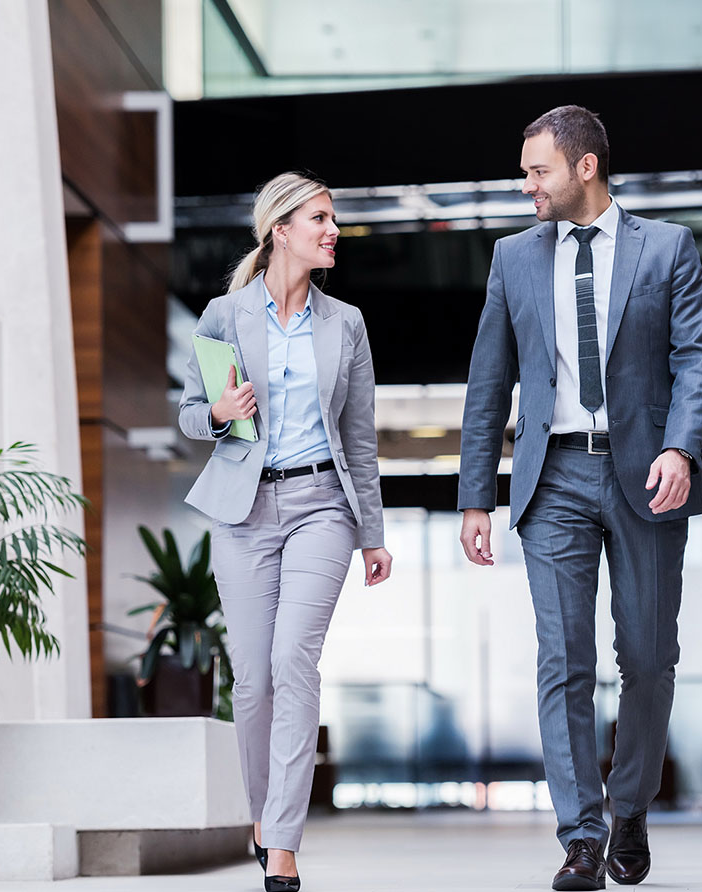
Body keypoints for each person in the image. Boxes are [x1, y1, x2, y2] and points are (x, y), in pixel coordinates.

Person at [458, 106, 702, 891]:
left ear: (586, 168)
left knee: (647, 656)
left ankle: (631, 805)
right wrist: (476, 495)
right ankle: (580, 836)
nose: (526, 184)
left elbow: (697, 356)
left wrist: (681, 446)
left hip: (648, 473)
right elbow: (487, 383)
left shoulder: (666, 248)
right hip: (553, 478)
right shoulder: (512, 258)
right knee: (562, 661)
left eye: (537, 170)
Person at [178, 171, 392, 892]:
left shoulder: (346, 324)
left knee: (294, 663)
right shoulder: (224, 316)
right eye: (320, 219)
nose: (333, 231)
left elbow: (359, 440)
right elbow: (187, 413)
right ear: (281, 230)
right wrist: (215, 412)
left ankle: (284, 847)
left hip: (322, 506)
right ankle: (264, 816)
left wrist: (372, 534)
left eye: (333, 220)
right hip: (243, 512)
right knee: (253, 681)